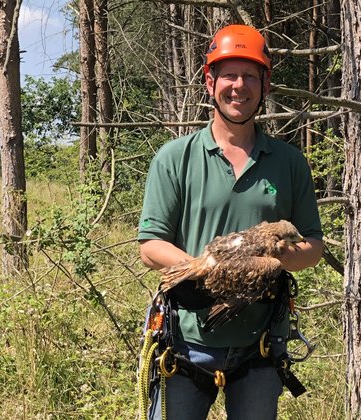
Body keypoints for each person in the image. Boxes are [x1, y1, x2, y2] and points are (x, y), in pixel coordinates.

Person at [137, 24, 324, 419]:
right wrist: (204, 272)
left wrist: (264, 266)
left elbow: (313, 245)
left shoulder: (289, 163)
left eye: (250, 76)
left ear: (265, 85)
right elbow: (151, 245)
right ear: (210, 81)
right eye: (229, 75)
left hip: (260, 344)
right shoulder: (175, 158)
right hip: (186, 340)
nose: (239, 86)